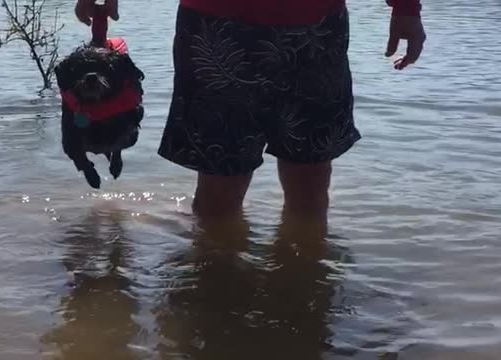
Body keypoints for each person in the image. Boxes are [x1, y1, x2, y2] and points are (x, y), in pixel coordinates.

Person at [75, 0, 426, 234]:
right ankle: (219, 312)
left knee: (311, 184)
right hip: (216, 25)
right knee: (219, 192)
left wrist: (407, 7)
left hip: (316, 26)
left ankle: (302, 299)